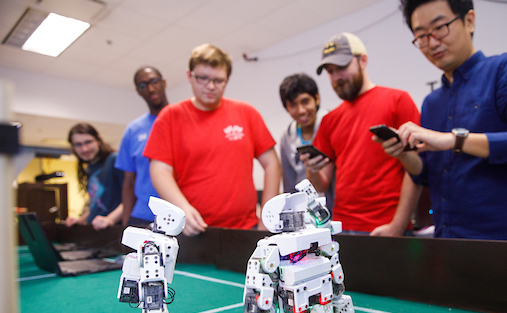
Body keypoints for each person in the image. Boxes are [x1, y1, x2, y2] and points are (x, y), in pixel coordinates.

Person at [378, 0, 507, 241]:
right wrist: (402, 154)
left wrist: (454, 140)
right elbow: (429, 175)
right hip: (447, 245)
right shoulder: (432, 102)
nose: (432, 43)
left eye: (440, 27)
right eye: (421, 36)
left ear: (469, 21)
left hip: (506, 248)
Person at [144, 44, 281, 236]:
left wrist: (268, 218)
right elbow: (160, 170)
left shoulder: (246, 113)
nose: (210, 86)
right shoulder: (170, 117)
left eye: (218, 80)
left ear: (227, 80)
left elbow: (272, 164)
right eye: (202, 78)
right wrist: (182, 208)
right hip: (191, 229)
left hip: (244, 229)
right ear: (189, 76)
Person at [302, 32, 421, 236]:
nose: (336, 77)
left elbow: (418, 170)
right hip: (341, 227)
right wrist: (311, 170)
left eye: (342, 67)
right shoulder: (330, 120)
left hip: (388, 227)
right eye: (330, 71)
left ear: (363, 60)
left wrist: (398, 226)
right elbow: (321, 182)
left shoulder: (398, 100)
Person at [115, 66, 168, 227]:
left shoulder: (185, 121)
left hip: (179, 217)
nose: (150, 88)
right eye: (143, 85)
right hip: (142, 217)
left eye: (154, 81)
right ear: (138, 91)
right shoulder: (133, 130)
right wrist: (126, 225)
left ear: (163, 83)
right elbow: (128, 183)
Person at [279, 73, 334, 210]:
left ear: (316, 99)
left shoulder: (331, 124)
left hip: (336, 209)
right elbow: (289, 184)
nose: (301, 111)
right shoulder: (286, 138)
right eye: (293, 105)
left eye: (305, 101)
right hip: (306, 214)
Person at [66, 123, 124, 230]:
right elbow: (98, 204)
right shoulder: (90, 167)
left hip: (115, 231)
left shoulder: (113, 160)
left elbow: (132, 198)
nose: (84, 149)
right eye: (78, 144)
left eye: (88, 142)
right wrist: (80, 220)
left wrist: (110, 219)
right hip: (96, 231)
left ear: (98, 139)